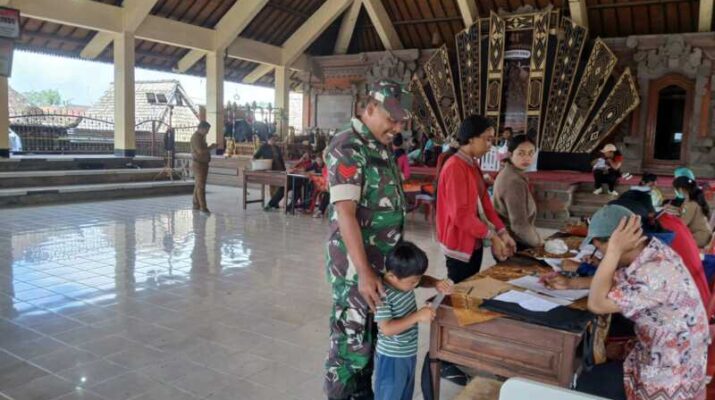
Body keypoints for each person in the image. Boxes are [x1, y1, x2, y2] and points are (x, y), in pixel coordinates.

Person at [323, 79, 411, 400]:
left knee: (371, 340)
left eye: (402, 122)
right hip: (355, 271)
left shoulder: (380, 145)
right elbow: (345, 212)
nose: (397, 128)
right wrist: (363, 271)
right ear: (370, 108)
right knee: (351, 347)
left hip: (379, 267)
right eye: (392, 119)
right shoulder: (348, 145)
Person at [576, 206, 708, 400]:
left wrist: (613, 252)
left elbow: (596, 304)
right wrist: (570, 283)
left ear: (618, 242)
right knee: (604, 353)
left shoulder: (653, 271)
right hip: (679, 357)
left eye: (601, 248)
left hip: (672, 375)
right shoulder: (653, 251)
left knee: (586, 381)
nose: (602, 255)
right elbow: (621, 281)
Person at [436, 115, 516, 284]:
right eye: (487, 139)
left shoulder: (472, 164)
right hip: (459, 241)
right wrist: (492, 237)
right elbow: (461, 216)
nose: (490, 145)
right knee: (460, 290)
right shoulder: (455, 167)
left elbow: (485, 204)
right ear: (471, 138)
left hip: (474, 240)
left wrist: (502, 232)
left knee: (471, 285)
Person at [374, 241, 453, 400]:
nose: (416, 284)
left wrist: (436, 283)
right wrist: (417, 316)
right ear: (392, 276)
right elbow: (387, 329)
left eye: (417, 280)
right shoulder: (382, 294)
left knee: (404, 394)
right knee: (390, 395)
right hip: (391, 357)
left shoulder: (403, 279)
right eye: (413, 282)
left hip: (407, 353)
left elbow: (421, 280)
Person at [493, 134, 543, 249]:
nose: (527, 158)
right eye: (521, 153)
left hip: (508, 240)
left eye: (530, 153)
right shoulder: (514, 181)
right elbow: (519, 225)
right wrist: (539, 244)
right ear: (510, 154)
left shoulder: (511, 173)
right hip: (513, 243)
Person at [671, 176, 713, 248]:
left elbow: (682, 223)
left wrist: (669, 226)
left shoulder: (691, 203)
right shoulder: (690, 200)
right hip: (703, 234)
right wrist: (673, 209)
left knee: (673, 243)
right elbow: (683, 211)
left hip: (700, 237)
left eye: (676, 189)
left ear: (681, 189)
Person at [190, 121, 212, 214]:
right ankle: (203, 207)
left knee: (198, 185)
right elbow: (199, 151)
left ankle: (196, 204)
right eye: (207, 130)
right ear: (202, 128)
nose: (207, 132)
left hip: (203, 163)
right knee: (201, 186)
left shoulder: (201, 137)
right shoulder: (196, 137)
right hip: (198, 164)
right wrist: (211, 147)